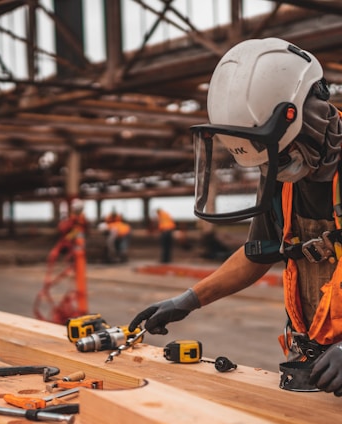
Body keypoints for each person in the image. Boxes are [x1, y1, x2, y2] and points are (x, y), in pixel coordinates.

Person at [129, 37, 342, 396]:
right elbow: (259, 253)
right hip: (317, 361)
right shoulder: (281, 173)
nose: (273, 170)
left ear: (309, 120)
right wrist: (188, 299)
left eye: (280, 155)